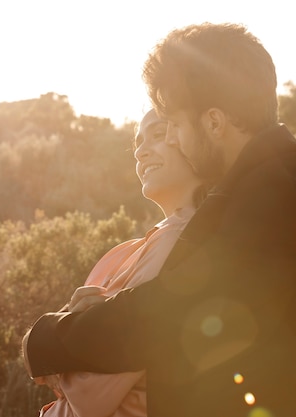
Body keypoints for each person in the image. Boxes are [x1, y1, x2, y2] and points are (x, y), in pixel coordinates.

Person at [24, 22, 296, 417]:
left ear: (214, 122)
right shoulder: (269, 183)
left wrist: (48, 339)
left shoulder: (280, 191)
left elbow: (172, 313)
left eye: (177, 126)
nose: (176, 140)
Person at [22, 109, 205, 416]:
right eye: (138, 142)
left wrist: (58, 349)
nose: (141, 151)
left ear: (194, 141)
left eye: (158, 135)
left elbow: (92, 394)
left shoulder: (177, 241)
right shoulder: (149, 243)